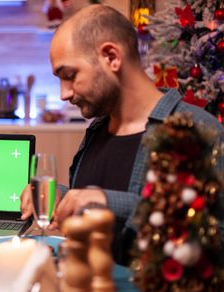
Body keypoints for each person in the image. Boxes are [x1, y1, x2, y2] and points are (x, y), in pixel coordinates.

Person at [20, 5, 224, 264]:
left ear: (111, 57)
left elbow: (215, 238)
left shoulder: (199, 131)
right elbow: (97, 201)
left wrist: (106, 201)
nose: (64, 94)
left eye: (70, 76)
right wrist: (61, 196)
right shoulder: (98, 129)